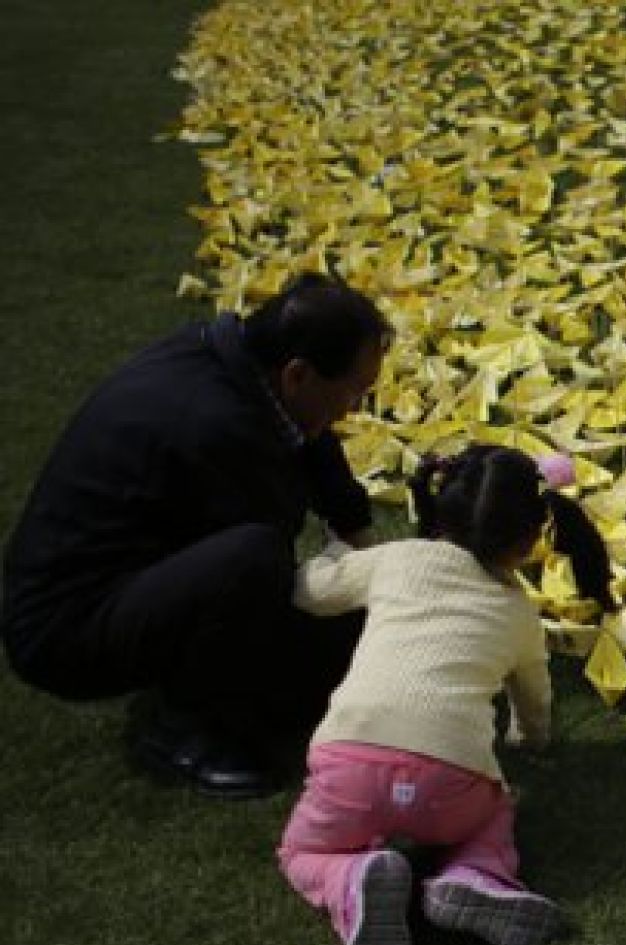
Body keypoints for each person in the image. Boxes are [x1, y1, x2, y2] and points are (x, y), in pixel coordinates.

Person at [2, 274, 390, 798]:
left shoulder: (241, 363)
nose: (353, 409)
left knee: (343, 645)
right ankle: (182, 729)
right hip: (64, 631)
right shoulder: (218, 424)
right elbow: (264, 571)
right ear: (298, 374)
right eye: (352, 390)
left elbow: (307, 438)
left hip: (124, 576)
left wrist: (360, 538)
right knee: (261, 562)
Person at [277, 445, 614, 945]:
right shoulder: (519, 612)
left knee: (300, 854)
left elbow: (308, 592)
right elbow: (534, 699)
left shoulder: (396, 560)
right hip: (453, 786)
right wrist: (531, 739)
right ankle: (473, 873)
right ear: (531, 541)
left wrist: (333, 554)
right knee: (495, 811)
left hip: (349, 766)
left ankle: (352, 880)